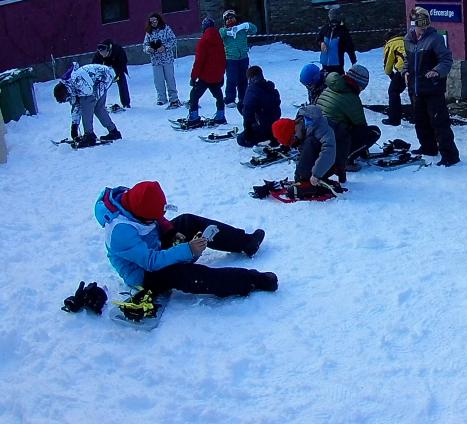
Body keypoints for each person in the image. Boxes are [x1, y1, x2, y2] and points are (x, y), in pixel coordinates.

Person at [95, 181, 277, 297]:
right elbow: (151, 262)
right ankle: (251, 280)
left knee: (188, 221)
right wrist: (188, 249)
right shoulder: (120, 231)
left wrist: (170, 232)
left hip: (155, 247)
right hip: (145, 273)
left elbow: (157, 216)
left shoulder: (133, 200)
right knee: (187, 275)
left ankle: (246, 242)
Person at [403, 7, 460, 167]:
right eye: (420, 25)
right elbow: (407, 59)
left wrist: (437, 71)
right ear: (413, 24)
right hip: (416, 88)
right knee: (420, 121)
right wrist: (405, 71)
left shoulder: (435, 39)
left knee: (439, 122)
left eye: (426, 24)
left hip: (433, 89)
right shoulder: (408, 39)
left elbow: (446, 60)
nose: (424, 28)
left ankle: (450, 155)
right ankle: (428, 147)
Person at [317, 64, 381, 173]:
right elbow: (361, 126)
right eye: (362, 87)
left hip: (318, 137)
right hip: (332, 139)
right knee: (374, 132)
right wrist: (363, 147)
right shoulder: (351, 97)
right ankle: (344, 160)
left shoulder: (331, 86)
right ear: (358, 84)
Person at [272, 104, 340, 192]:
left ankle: (310, 182)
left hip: (337, 155)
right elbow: (303, 155)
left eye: (293, 140)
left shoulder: (320, 127)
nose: (295, 143)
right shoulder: (303, 126)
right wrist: (298, 175)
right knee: (308, 144)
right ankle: (304, 178)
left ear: (294, 130)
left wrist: (316, 174)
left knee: (310, 142)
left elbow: (329, 150)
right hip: (328, 157)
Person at [53, 63, 122, 147]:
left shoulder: (78, 82)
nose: (68, 100)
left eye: (67, 99)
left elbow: (86, 99)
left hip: (102, 78)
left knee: (86, 106)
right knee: (99, 109)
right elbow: (76, 105)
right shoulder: (69, 86)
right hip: (101, 77)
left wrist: (79, 101)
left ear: (66, 93)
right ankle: (114, 132)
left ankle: (89, 136)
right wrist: (74, 126)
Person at [187, 17, 227, 127]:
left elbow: (199, 61)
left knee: (194, 95)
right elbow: (223, 59)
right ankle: (220, 116)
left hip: (205, 76)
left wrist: (193, 77)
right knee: (218, 96)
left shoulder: (203, 41)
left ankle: (194, 117)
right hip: (216, 76)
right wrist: (221, 75)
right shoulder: (220, 40)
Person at [220, 9, 257, 109]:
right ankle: (230, 99)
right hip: (231, 59)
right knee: (232, 79)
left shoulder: (241, 30)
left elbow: (254, 29)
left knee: (243, 79)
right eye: (227, 19)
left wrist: (244, 26)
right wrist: (228, 31)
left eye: (231, 18)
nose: (230, 20)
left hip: (243, 58)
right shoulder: (224, 30)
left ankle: (243, 98)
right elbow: (220, 34)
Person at [237, 65, 281, 147]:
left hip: (263, 125)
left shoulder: (252, 90)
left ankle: (260, 136)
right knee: (242, 105)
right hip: (274, 123)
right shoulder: (271, 88)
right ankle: (272, 135)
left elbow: (247, 112)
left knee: (240, 140)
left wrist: (248, 130)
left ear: (250, 78)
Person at [143, 12, 180, 108]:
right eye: (151, 22)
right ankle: (161, 98)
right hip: (156, 60)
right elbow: (145, 45)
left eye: (155, 21)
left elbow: (173, 40)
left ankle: (174, 97)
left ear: (158, 20)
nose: (153, 23)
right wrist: (148, 49)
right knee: (158, 81)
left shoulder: (166, 29)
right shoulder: (149, 32)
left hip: (167, 59)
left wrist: (165, 47)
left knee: (170, 79)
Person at [317, 5, 357, 76]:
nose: (332, 17)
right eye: (330, 15)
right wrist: (321, 43)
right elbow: (318, 40)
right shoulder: (325, 28)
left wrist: (353, 62)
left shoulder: (343, 31)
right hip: (325, 65)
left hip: (337, 66)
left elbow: (350, 47)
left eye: (334, 15)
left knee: (338, 81)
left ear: (338, 16)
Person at [92, 39, 130, 109]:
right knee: (100, 86)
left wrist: (117, 75)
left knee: (122, 82)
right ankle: (99, 105)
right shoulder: (98, 55)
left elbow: (123, 63)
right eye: (100, 53)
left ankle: (126, 103)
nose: (102, 55)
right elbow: (94, 66)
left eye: (104, 53)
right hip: (104, 68)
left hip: (117, 66)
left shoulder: (118, 50)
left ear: (108, 49)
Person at [382, 29, 409, 126]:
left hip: (403, 69)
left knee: (393, 92)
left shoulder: (390, 44)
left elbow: (387, 64)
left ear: (386, 40)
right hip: (415, 68)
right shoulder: (405, 40)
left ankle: (394, 119)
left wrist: (390, 74)